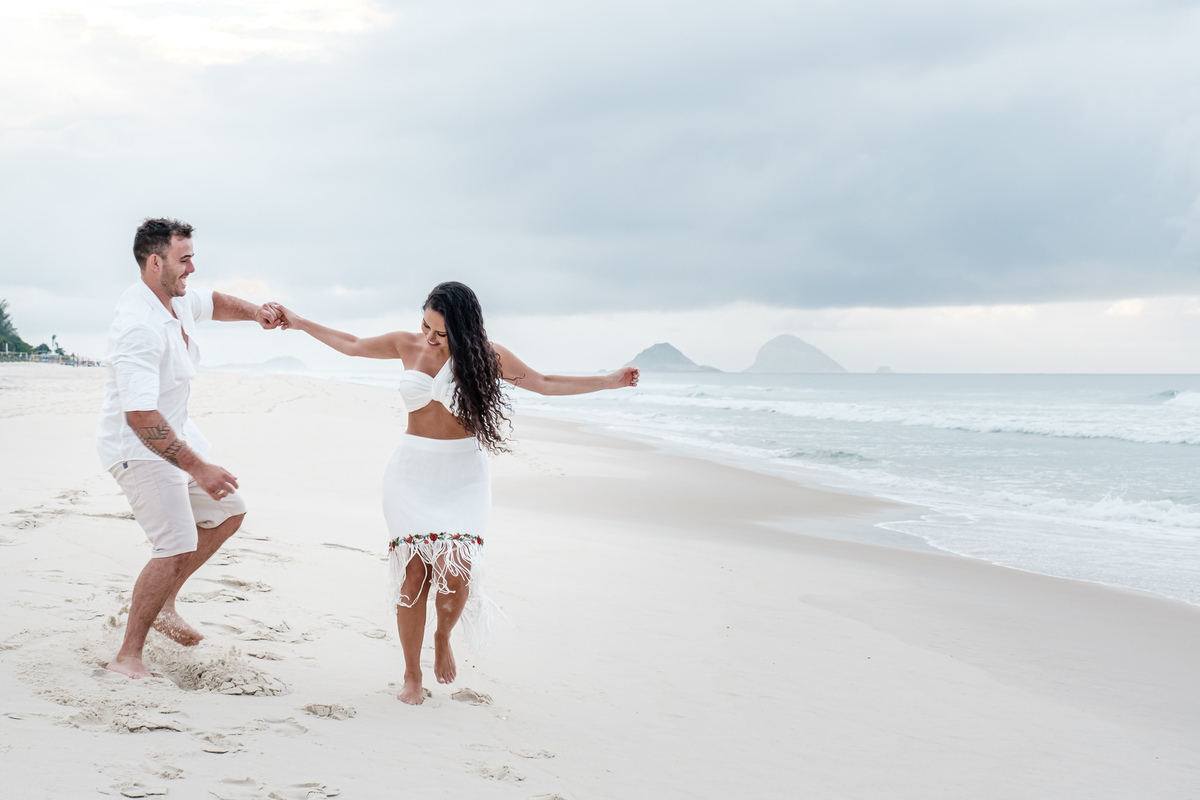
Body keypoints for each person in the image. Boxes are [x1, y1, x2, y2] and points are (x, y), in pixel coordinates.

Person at [272, 281, 638, 705]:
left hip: (463, 476)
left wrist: (609, 381)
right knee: (414, 574)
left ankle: (443, 636)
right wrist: (298, 322)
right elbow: (352, 345)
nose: (429, 338)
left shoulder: (487, 356)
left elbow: (543, 382)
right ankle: (412, 674)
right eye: (425, 326)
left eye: (441, 333)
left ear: (462, 331)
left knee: (455, 570)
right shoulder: (407, 345)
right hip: (410, 472)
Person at [97, 218, 282, 679]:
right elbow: (140, 417)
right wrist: (199, 468)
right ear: (155, 262)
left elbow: (214, 302)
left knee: (228, 511)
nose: (192, 269)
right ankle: (127, 656)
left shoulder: (173, 299)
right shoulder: (139, 327)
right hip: (138, 448)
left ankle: (163, 604)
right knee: (175, 544)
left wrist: (257, 312)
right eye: (185, 260)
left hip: (174, 437)